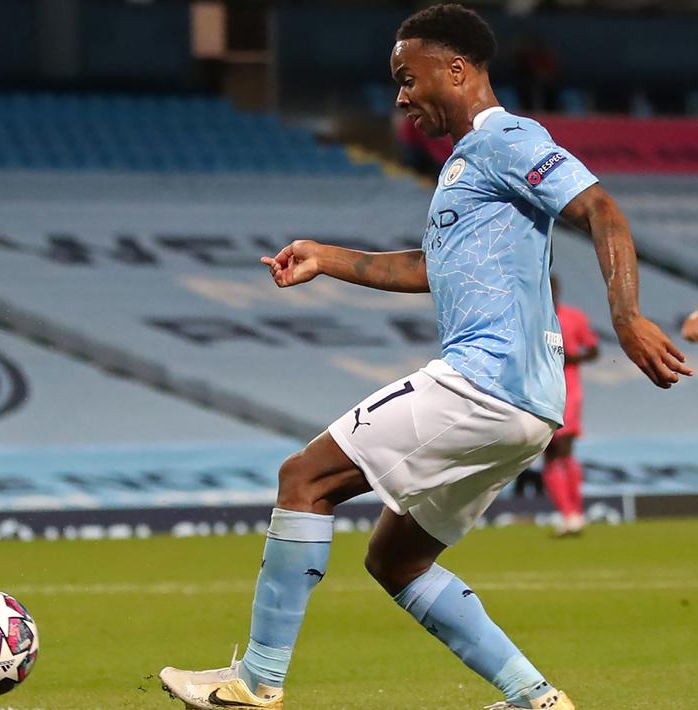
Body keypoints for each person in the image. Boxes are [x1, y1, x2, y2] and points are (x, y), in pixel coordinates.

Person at [157, 5, 690, 710]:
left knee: (303, 478)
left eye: (408, 79)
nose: (401, 97)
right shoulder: (465, 163)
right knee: (396, 559)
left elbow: (601, 210)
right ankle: (532, 697)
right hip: (527, 407)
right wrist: (326, 257)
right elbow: (430, 268)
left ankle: (255, 681)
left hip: (484, 383)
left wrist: (626, 317)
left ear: (456, 69)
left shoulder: (507, 139)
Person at [543, 276, 598, 537]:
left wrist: (573, 357)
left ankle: (574, 513)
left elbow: (594, 350)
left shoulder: (573, 317)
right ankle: (569, 515)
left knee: (563, 449)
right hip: (539, 391)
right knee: (549, 453)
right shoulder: (532, 318)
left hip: (568, 391)